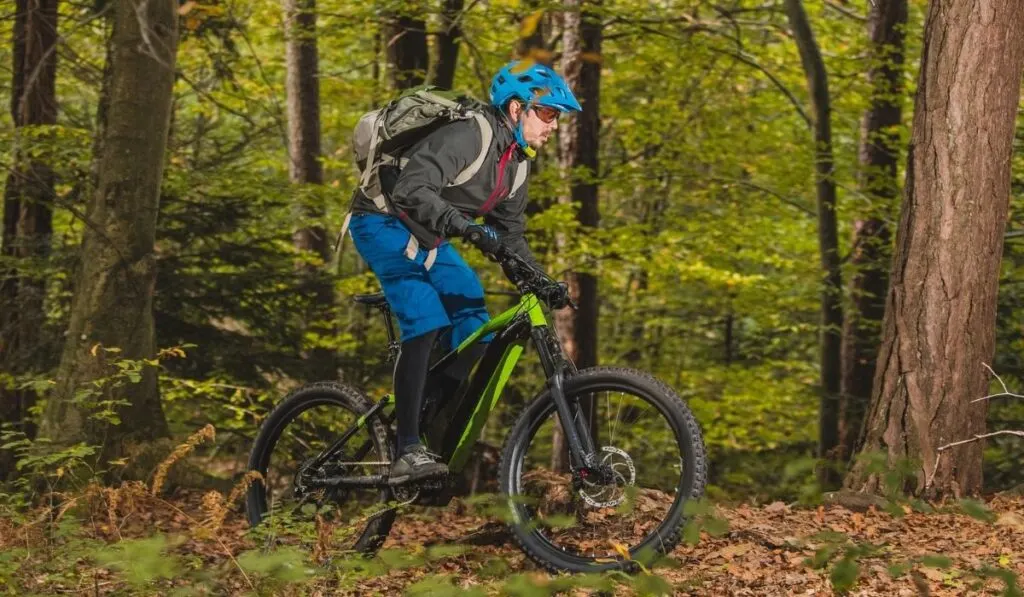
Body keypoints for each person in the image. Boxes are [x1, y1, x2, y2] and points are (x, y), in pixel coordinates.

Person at [346, 61, 582, 485]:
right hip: (381, 222)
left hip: (430, 236)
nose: (554, 126)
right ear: (516, 109)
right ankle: (406, 448)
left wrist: (542, 280)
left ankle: (425, 416)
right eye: (547, 114)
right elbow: (410, 190)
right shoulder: (471, 134)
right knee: (426, 319)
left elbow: (510, 238)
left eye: (557, 118)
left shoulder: (518, 165)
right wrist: (467, 227)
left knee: (477, 325)